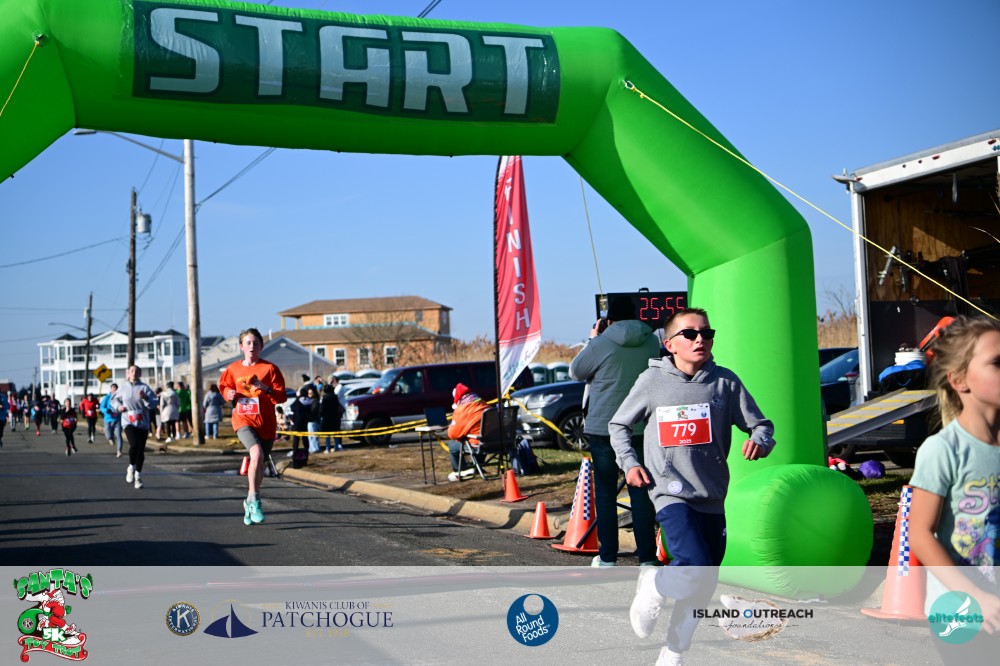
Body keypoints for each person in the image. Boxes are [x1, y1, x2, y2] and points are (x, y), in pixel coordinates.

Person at [612, 307, 775, 665]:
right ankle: (654, 584)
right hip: (670, 492)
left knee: (703, 585)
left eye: (706, 333)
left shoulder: (725, 382)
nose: (700, 339)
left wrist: (760, 441)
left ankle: (673, 653)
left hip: (712, 495)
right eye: (690, 334)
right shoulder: (652, 382)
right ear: (670, 343)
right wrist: (630, 463)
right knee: (695, 567)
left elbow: (761, 425)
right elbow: (619, 425)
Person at [909, 315, 1000, 662]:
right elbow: (919, 534)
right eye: (997, 363)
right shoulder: (943, 450)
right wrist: (974, 595)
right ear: (959, 380)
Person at [569, 295, 661, 567]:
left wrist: (592, 339)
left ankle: (608, 557)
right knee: (641, 492)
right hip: (641, 425)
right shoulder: (651, 341)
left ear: (609, 320)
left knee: (606, 493)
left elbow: (576, 371)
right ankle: (647, 557)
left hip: (604, 427)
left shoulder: (601, 343)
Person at [219, 327, 286, 526]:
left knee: (260, 463)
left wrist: (266, 389)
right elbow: (224, 386)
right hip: (243, 420)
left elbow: (282, 396)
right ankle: (255, 501)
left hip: (266, 422)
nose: (252, 346)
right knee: (255, 454)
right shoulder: (233, 369)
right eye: (248, 343)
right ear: (241, 347)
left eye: (255, 343)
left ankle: (249, 502)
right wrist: (229, 394)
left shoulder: (270, 369)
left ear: (261, 347)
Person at [112, 365, 158, 489]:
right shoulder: (123, 387)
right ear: (128, 373)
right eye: (132, 371)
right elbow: (113, 400)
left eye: (137, 371)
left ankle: (138, 476)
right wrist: (119, 407)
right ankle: (131, 467)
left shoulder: (144, 387)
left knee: (140, 450)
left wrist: (145, 397)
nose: (134, 373)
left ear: (140, 374)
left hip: (142, 422)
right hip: (128, 421)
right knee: (134, 444)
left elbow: (154, 403)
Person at [446, 383, 488, 482]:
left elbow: (452, 434)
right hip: (494, 442)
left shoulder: (462, 410)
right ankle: (477, 466)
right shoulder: (483, 404)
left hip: (478, 444)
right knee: (477, 437)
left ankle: (460, 470)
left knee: (452, 445)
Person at [100, 383, 123, 458]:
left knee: (118, 435)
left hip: (117, 419)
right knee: (108, 433)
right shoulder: (107, 397)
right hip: (108, 419)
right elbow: (101, 407)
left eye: (116, 388)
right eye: (113, 388)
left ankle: (119, 451)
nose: (114, 389)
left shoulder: (120, 397)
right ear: (111, 389)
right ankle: (110, 438)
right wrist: (106, 410)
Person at [319, 383, 344, 452]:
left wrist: (321, 414)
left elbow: (321, 410)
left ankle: (328, 448)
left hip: (327, 418)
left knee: (328, 434)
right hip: (335, 418)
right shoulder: (335, 397)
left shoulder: (324, 398)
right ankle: (336, 447)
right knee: (336, 433)